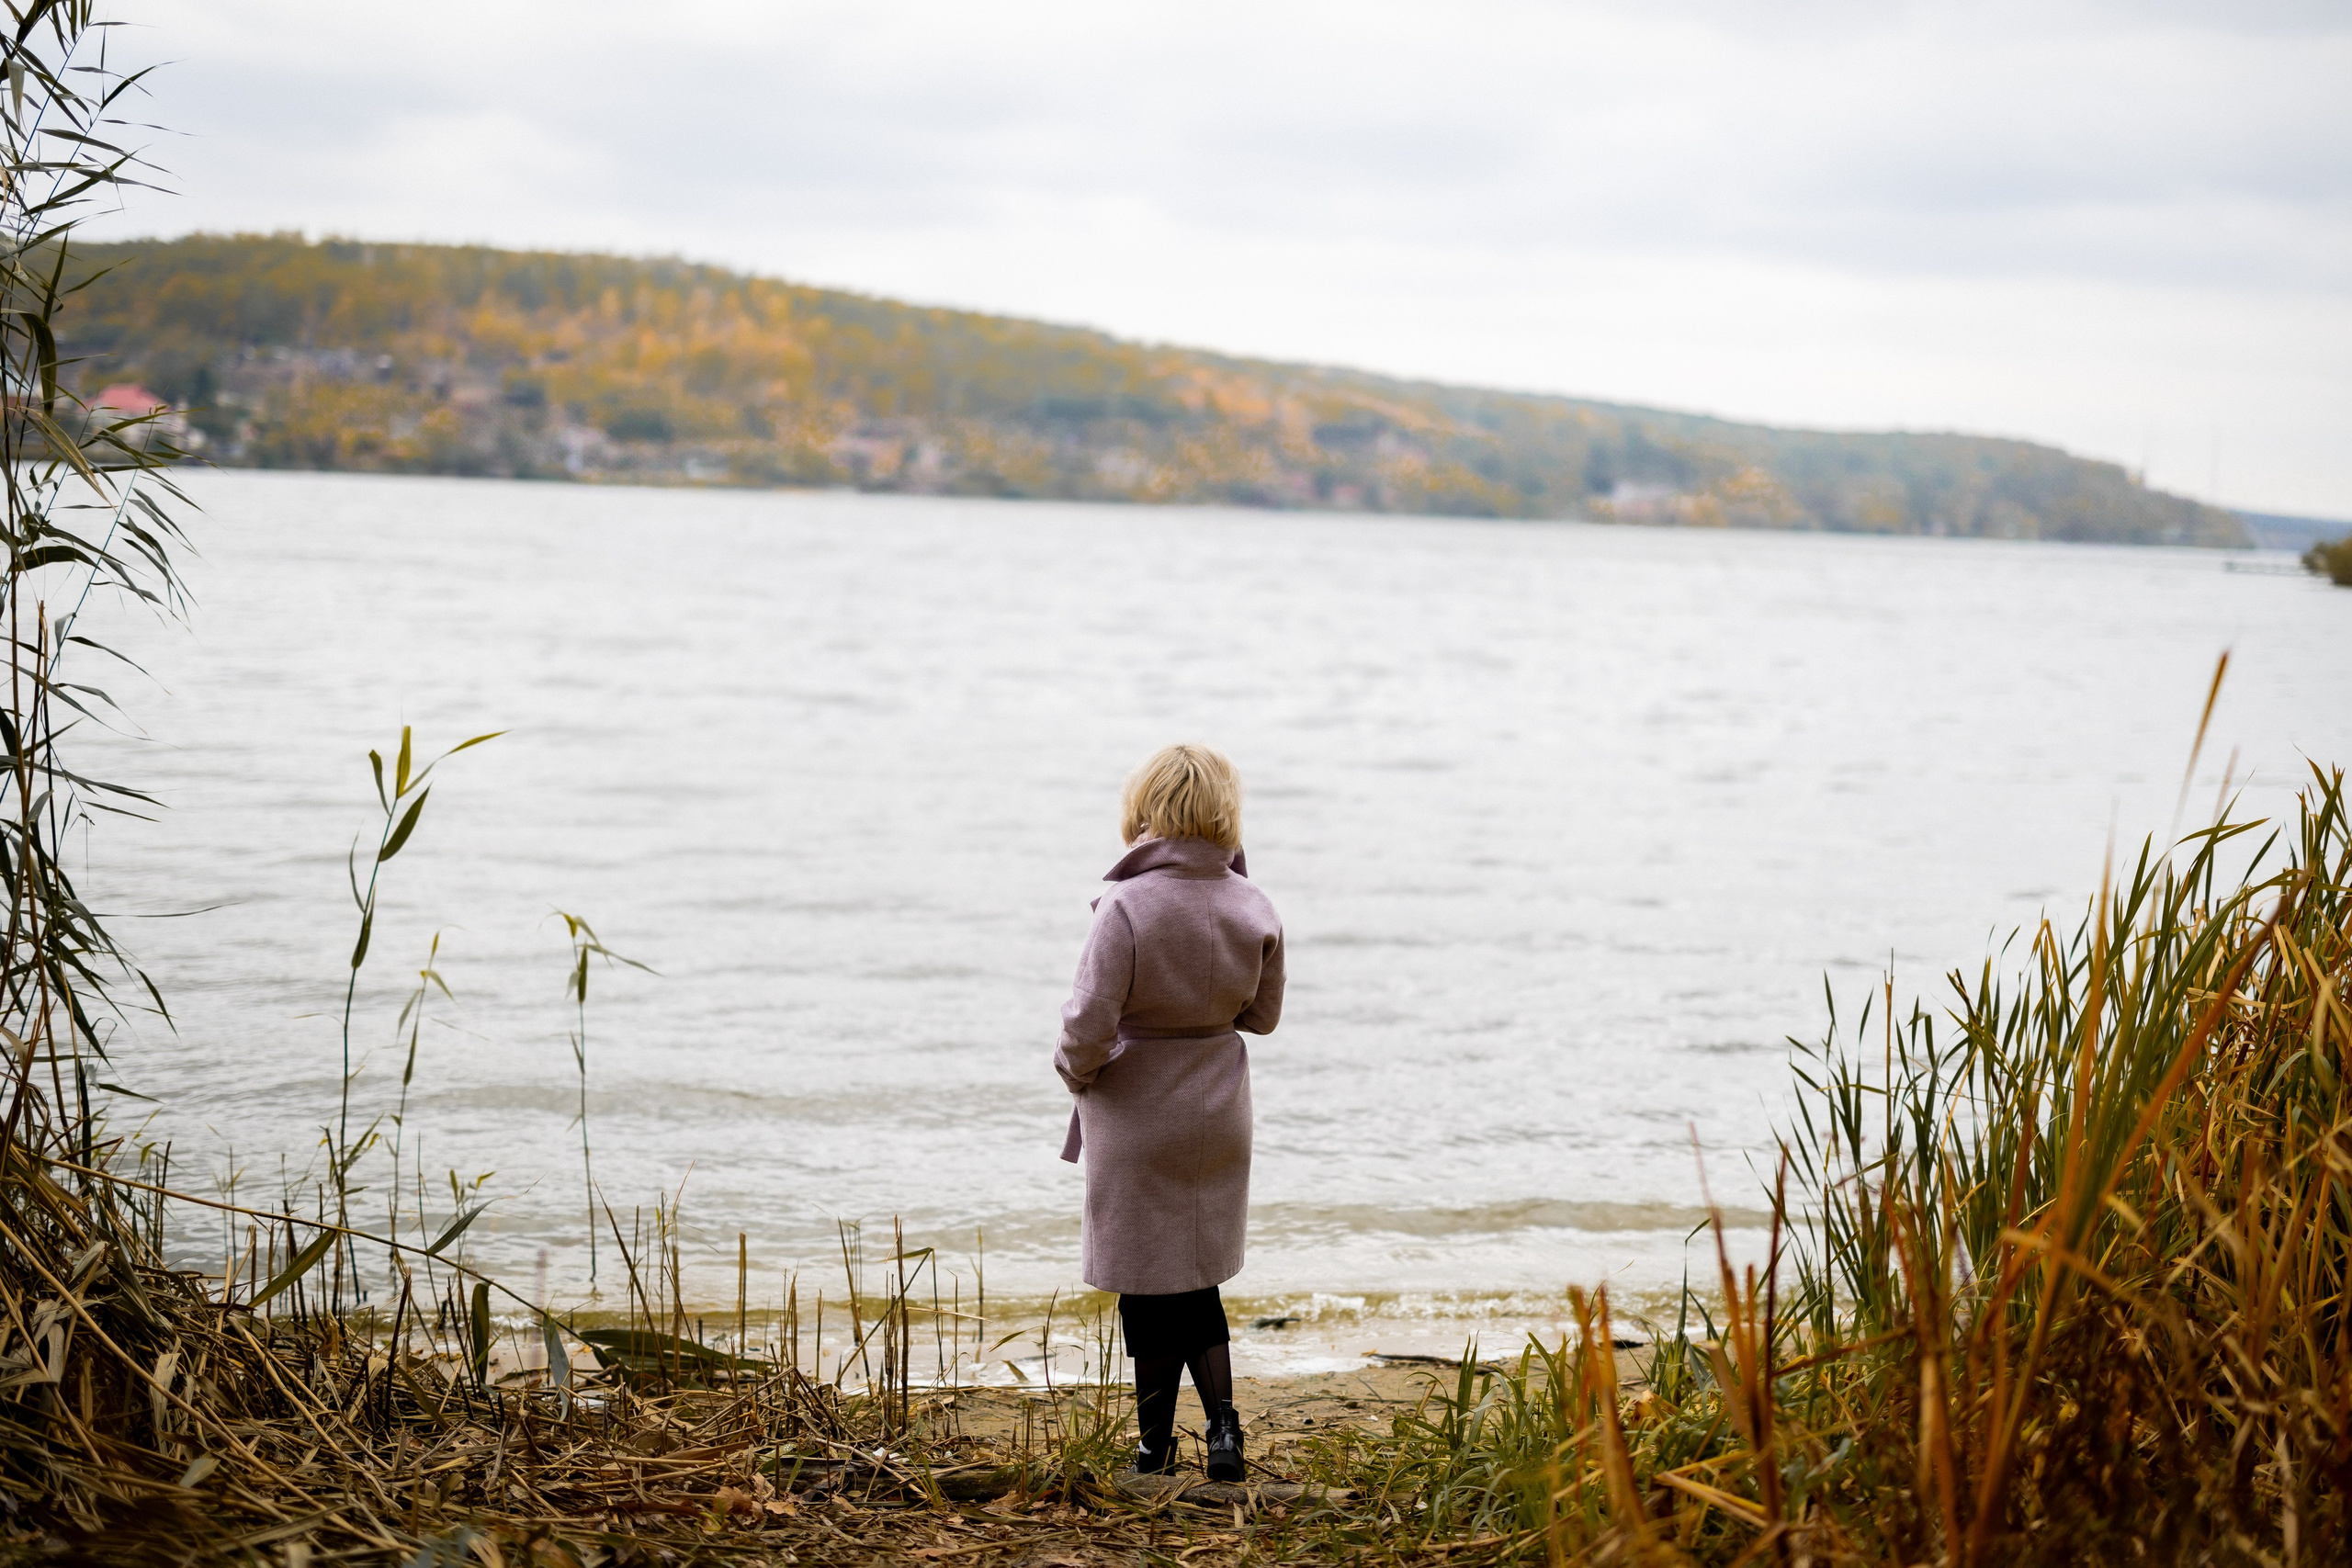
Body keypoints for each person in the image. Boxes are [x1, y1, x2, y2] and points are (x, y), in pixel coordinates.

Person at [1055, 743, 1284, 1481]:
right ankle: (1222, 1427)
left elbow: (1087, 1023)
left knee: (1147, 1279)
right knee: (1195, 1274)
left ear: (1145, 811)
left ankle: (1154, 1448)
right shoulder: (1253, 904)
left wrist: (1078, 1074)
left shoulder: (1126, 905)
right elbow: (1264, 1014)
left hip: (1138, 1108)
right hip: (1218, 1104)